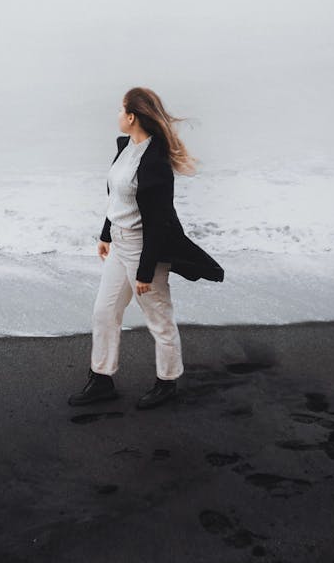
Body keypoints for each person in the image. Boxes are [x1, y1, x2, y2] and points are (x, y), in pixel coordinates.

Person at [68, 86, 224, 411]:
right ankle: (101, 379)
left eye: (120, 109)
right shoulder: (125, 147)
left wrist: (144, 271)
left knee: (158, 317)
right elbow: (118, 198)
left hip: (144, 249)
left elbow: (159, 222)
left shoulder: (156, 163)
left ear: (132, 116)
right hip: (121, 242)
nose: (117, 115)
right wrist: (106, 234)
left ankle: (167, 382)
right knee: (105, 311)